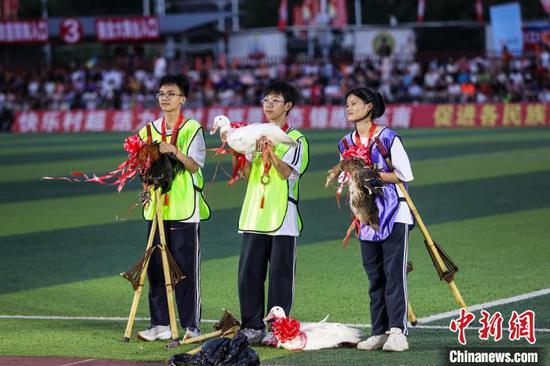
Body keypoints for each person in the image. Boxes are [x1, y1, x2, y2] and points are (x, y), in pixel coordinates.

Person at [338, 87, 413, 352]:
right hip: (366, 217)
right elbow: (345, 178)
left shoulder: (387, 137)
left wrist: (376, 176)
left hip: (395, 213)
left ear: (369, 106)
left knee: (394, 274)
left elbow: (404, 174)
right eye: (347, 104)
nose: (348, 108)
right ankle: (378, 331)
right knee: (374, 276)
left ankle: (398, 332)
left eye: (354, 103)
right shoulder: (345, 143)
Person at [136, 74, 210, 341]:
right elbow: (141, 168)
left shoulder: (192, 128)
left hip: (183, 209)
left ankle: (191, 325)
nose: (165, 98)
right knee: (155, 266)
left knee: (184, 269)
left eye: (171, 94)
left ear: (183, 99)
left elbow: (195, 165)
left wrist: (174, 151)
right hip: (155, 209)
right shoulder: (147, 130)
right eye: (161, 93)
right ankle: (160, 324)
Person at [237, 80, 309, 345]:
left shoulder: (296, 139)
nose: (268, 104)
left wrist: (271, 154)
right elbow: (247, 175)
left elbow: (289, 173)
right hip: (254, 214)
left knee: (280, 276)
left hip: (282, 218)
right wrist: (241, 153)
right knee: (249, 274)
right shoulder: (254, 135)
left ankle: (279, 329)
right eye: (265, 99)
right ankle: (252, 326)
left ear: (288, 106)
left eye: (275, 100)